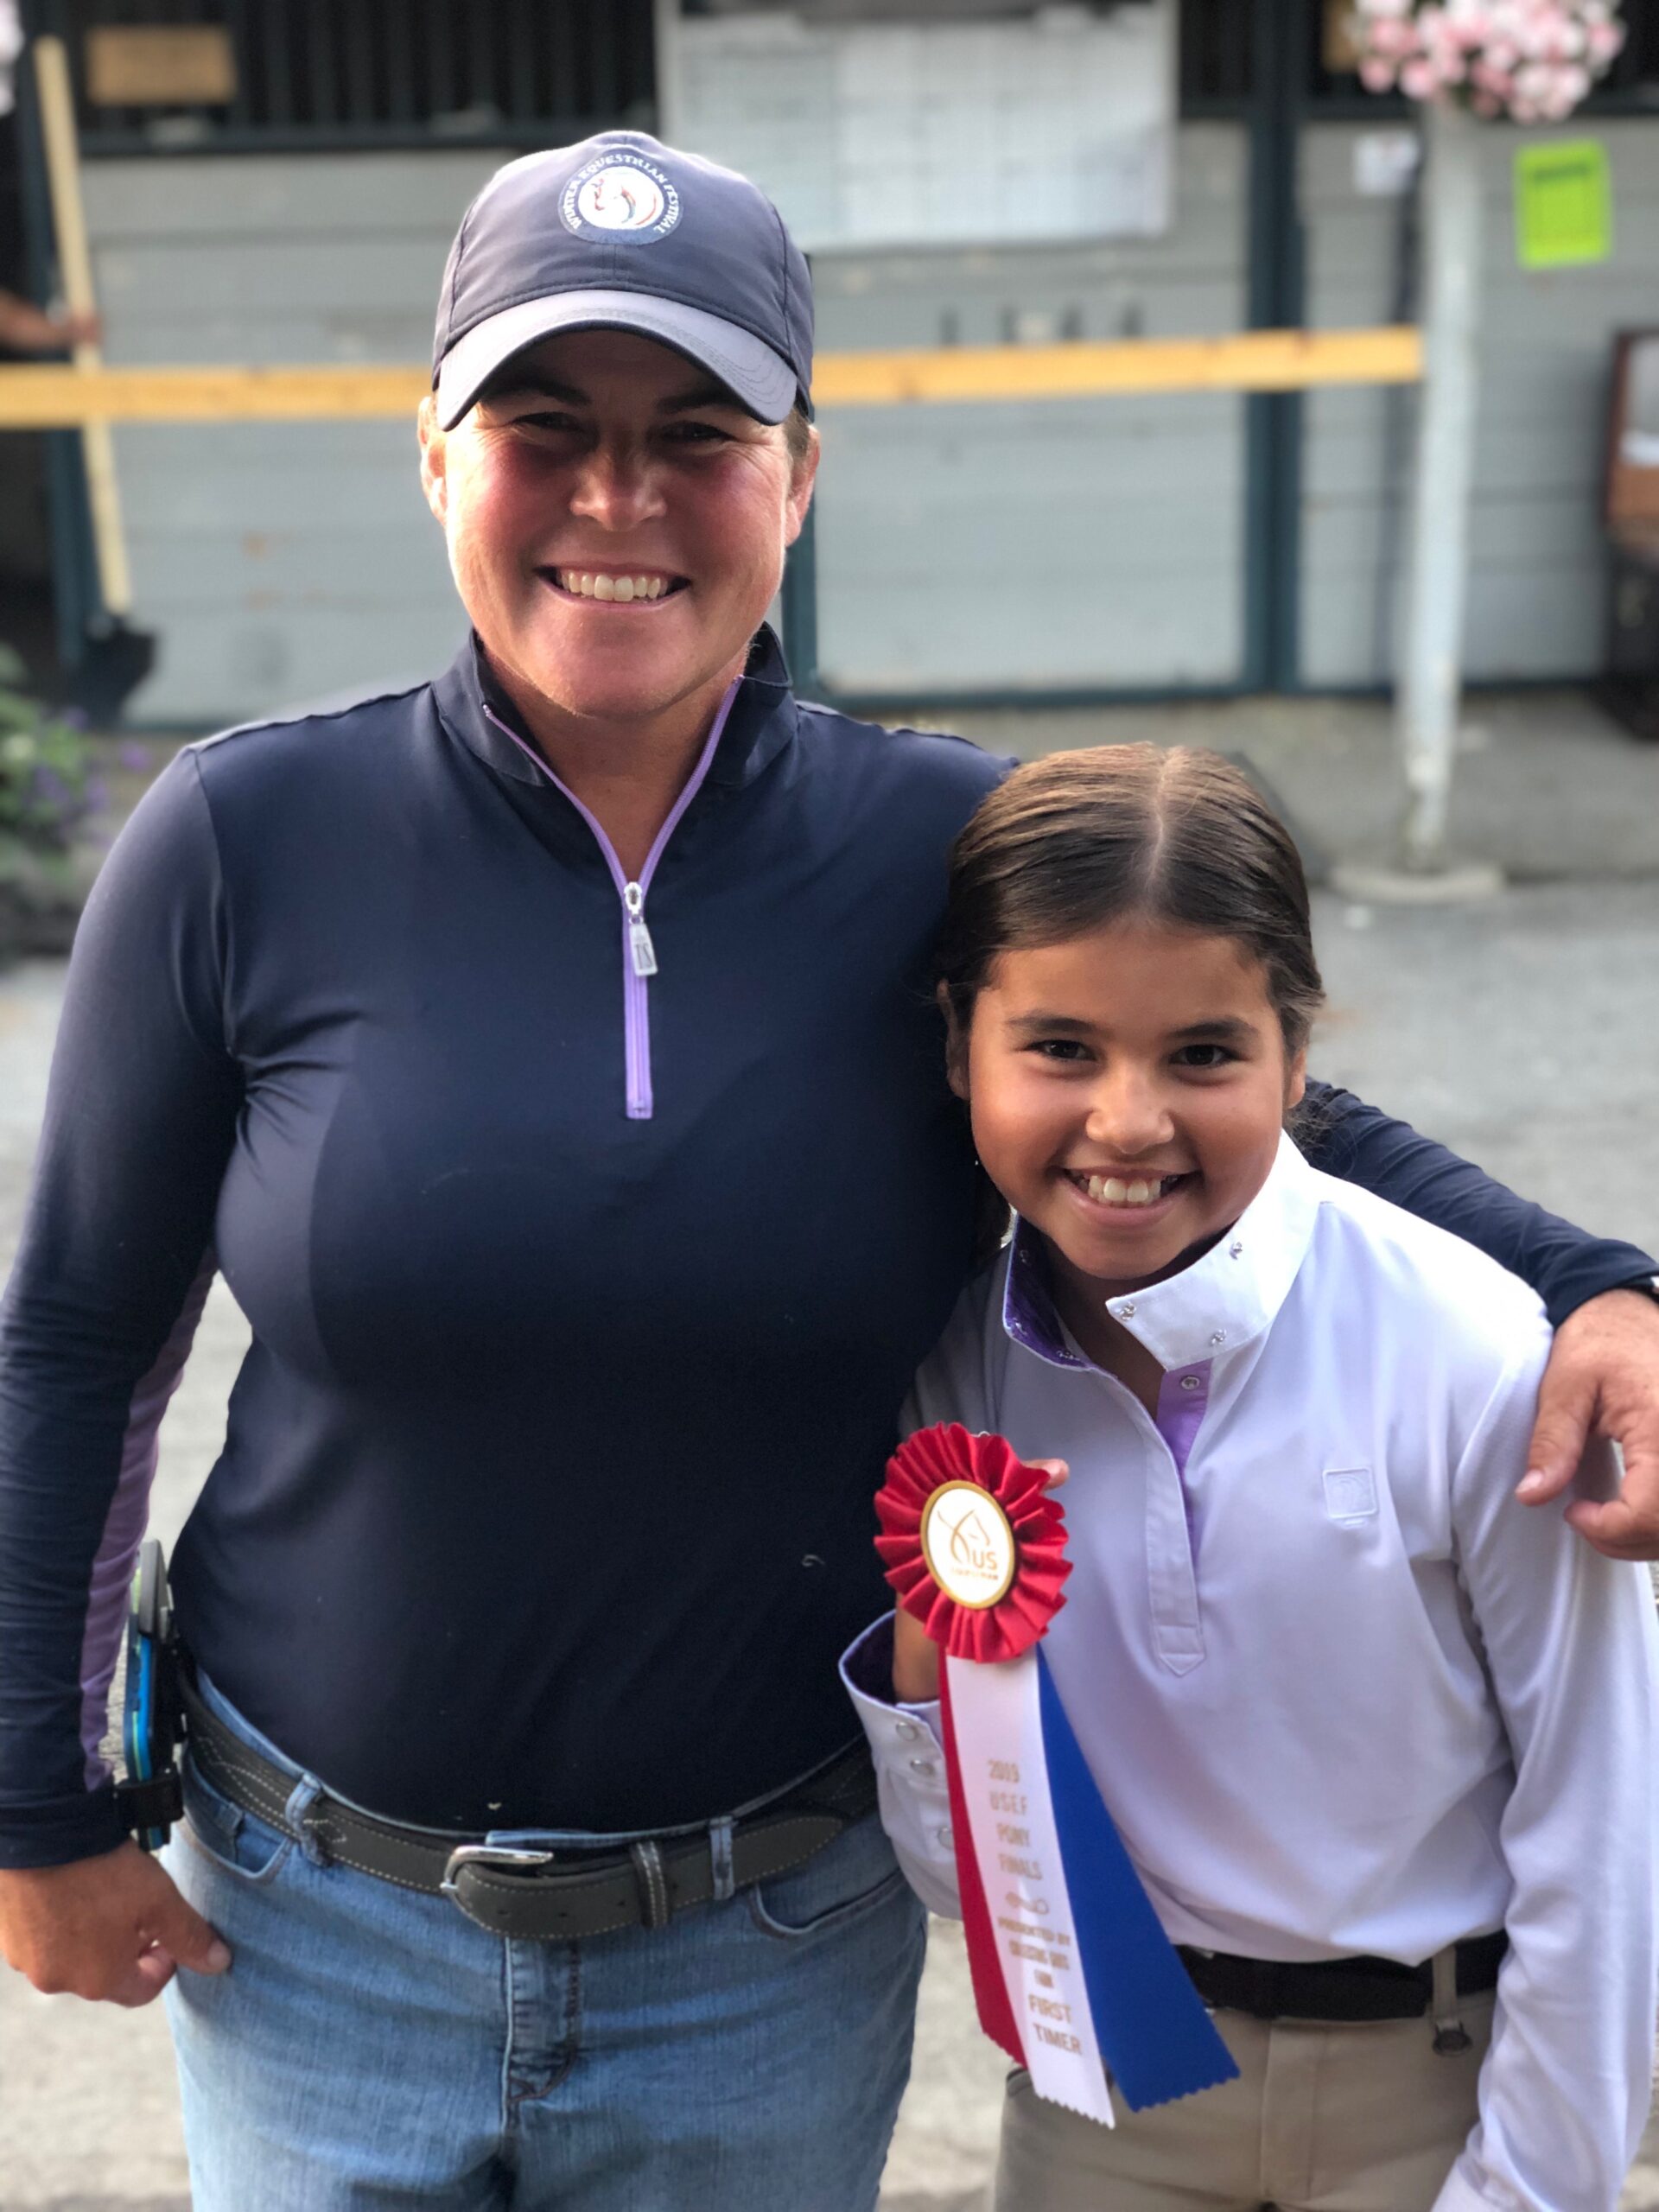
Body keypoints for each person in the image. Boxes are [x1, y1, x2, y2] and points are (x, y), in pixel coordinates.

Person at [0, 130, 1655, 2211]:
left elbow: (1247, 1114)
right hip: (318, 1926)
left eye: (697, 432)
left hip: (764, 1951)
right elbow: (74, 1334)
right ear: (435, 455)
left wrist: (1608, 1282)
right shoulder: (245, 841)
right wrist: (35, 1801)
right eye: (544, 427)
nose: (618, 499)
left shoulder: (931, 852)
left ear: (801, 469)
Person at [843, 744, 1659, 2212]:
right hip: (1112, 2100)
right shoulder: (958, 1369)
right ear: (965, 1043)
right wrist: (926, 1681)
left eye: (1204, 1055)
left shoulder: (1479, 1357)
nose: (1131, 1121)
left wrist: (1531, 2189)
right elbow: (972, 1878)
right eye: (1062, 1048)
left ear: (1298, 1056)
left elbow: (1605, 1834)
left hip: (1444, 2102)